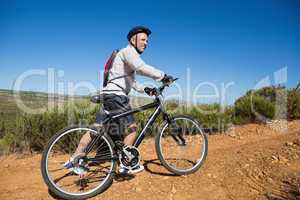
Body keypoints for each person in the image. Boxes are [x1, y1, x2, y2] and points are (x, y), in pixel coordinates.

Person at [64, 26, 173, 175]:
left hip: (108, 95)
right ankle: (127, 164)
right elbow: (141, 67)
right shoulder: (128, 52)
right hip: (117, 97)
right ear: (132, 40)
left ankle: (75, 158)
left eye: (147, 41)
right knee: (132, 129)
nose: (146, 43)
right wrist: (163, 75)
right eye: (143, 39)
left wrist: (146, 89)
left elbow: (131, 82)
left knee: (95, 130)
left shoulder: (125, 57)